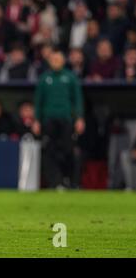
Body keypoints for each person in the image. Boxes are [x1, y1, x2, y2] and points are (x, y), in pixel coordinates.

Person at [32, 49, 85, 189]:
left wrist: (79, 118)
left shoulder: (70, 77)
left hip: (66, 120)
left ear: (63, 61)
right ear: (49, 61)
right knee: (49, 151)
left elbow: (77, 99)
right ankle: (55, 182)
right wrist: (36, 120)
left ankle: (71, 181)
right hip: (49, 120)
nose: (55, 62)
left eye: (58, 59)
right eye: (53, 59)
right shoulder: (44, 78)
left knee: (69, 150)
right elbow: (38, 102)